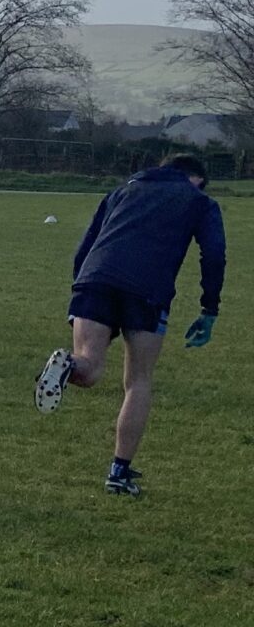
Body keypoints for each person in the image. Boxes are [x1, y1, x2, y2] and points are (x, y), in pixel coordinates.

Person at [34, 154, 225, 495]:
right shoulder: (198, 200)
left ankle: (67, 363)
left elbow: (85, 245)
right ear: (194, 179)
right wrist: (209, 309)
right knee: (138, 381)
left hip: (94, 280)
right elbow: (213, 255)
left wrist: (80, 291)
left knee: (89, 369)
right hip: (147, 291)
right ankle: (118, 473)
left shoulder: (122, 190)